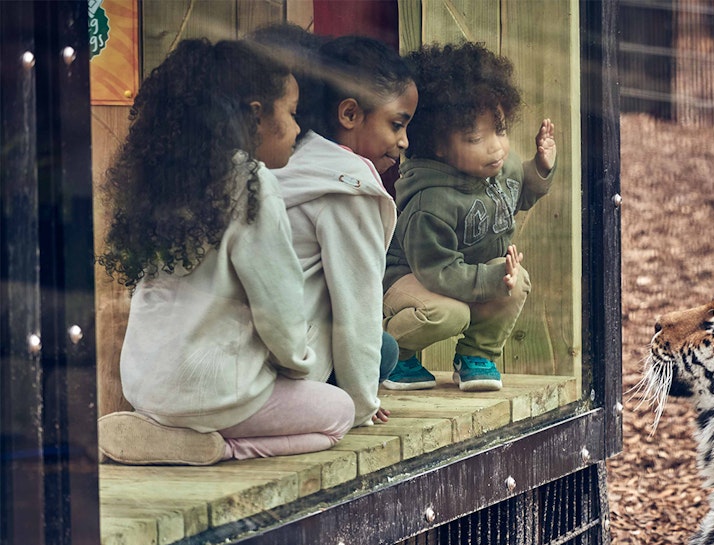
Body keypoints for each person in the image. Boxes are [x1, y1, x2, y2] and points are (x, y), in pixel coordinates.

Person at [96, 38, 355, 465]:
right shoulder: (251, 183)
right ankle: (220, 447)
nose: (296, 131)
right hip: (219, 396)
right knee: (338, 413)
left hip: (146, 388)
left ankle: (167, 432)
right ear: (256, 115)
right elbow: (278, 306)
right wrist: (299, 366)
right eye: (290, 114)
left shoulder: (167, 181)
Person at [382, 41, 557, 392]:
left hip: (461, 276)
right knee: (451, 313)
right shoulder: (429, 203)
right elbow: (438, 273)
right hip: (412, 280)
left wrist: (540, 168)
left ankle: (476, 355)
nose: (496, 147)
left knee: (516, 279)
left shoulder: (495, 168)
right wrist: (491, 280)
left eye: (501, 130)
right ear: (438, 145)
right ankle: (392, 354)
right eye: (476, 138)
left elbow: (515, 194)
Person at [269, 33, 417, 425]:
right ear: (350, 114)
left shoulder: (292, 157)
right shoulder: (350, 188)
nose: (403, 141)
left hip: (245, 355)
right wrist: (362, 403)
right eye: (397, 124)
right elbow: (357, 306)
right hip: (286, 365)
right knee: (383, 351)